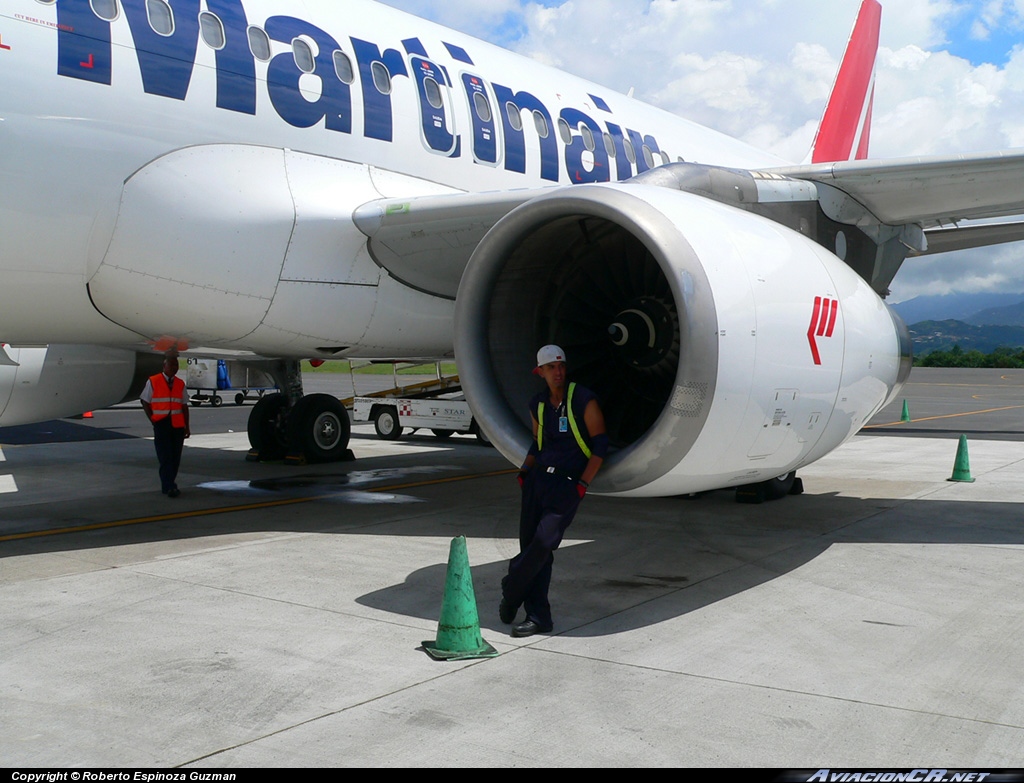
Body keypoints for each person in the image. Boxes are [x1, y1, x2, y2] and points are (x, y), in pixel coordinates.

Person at [500, 345, 608, 637]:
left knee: (544, 542)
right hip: (537, 481)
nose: (558, 372)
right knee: (534, 551)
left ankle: (511, 589)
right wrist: (524, 471)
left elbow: (600, 445)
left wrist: (582, 484)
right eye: (551, 367)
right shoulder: (537, 404)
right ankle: (538, 617)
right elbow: (538, 444)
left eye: (560, 365)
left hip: (567, 484)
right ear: (541, 372)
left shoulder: (584, 400)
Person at [140, 354, 191, 498]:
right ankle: (169, 486)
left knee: (175, 457)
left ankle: (170, 483)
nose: (174, 368)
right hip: (161, 423)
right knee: (165, 457)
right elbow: (145, 401)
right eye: (171, 365)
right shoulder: (153, 381)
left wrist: (187, 426)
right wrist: (153, 419)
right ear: (164, 366)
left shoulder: (180, 383)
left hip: (177, 424)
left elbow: (184, 406)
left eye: (176, 365)